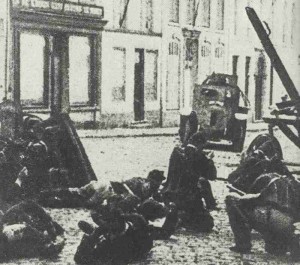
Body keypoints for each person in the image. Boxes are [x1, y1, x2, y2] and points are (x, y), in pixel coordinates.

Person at [226, 173, 300, 259]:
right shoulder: (294, 183)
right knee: (274, 250)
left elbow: (252, 201)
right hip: (288, 225)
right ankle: (286, 241)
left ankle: (243, 245)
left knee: (231, 199)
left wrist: (243, 197)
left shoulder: (266, 178)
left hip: (271, 218)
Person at [163, 131, 217, 232]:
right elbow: (212, 176)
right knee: (208, 223)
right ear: (200, 144)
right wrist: (209, 160)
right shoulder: (200, 157)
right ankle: (183, 218)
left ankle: (178, 215)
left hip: (169, 194)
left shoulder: (177, 151)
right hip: (188, 198)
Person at [0, 200, 65, 260]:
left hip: (5, 235)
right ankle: (47, 246)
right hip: (4, 237)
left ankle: (46, 245)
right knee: (26, 229)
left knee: (27, 230)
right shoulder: (18, 211)